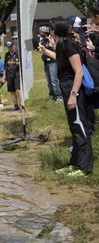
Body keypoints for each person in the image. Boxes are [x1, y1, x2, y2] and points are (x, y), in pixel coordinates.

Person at [38, 20, 93, 177]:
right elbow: (62, 60)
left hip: (73, 90)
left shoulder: (68, 44)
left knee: (80, 127)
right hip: (68, 88)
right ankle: (74, 163)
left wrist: (73, 95)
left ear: (55, 32)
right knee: (74, 127)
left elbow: (79, 72)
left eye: (51, 31)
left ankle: (84, 168)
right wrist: (45, 51)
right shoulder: (63, 44)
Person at [36, 26, 63, 102]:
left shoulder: (52, 40)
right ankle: (52, 95)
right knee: (49, 80)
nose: (39, 33)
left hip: (53, 62)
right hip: (46, 62)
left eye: (40, 31)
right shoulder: (42, 41)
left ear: (44, 32)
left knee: (54, 80)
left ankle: (59, 95)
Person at [4, 41, 22, 112]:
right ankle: (15, 105)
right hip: (9, 74)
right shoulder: (7, 55)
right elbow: (5, 65)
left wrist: (14, 63)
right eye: (8, 47)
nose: (10, 49)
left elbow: (21, 63)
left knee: (18, 90)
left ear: (14, 46)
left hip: (16, 74)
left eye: (11, 47)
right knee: (12, 91)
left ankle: (21, 105)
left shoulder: (18, 53)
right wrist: (4, 75)